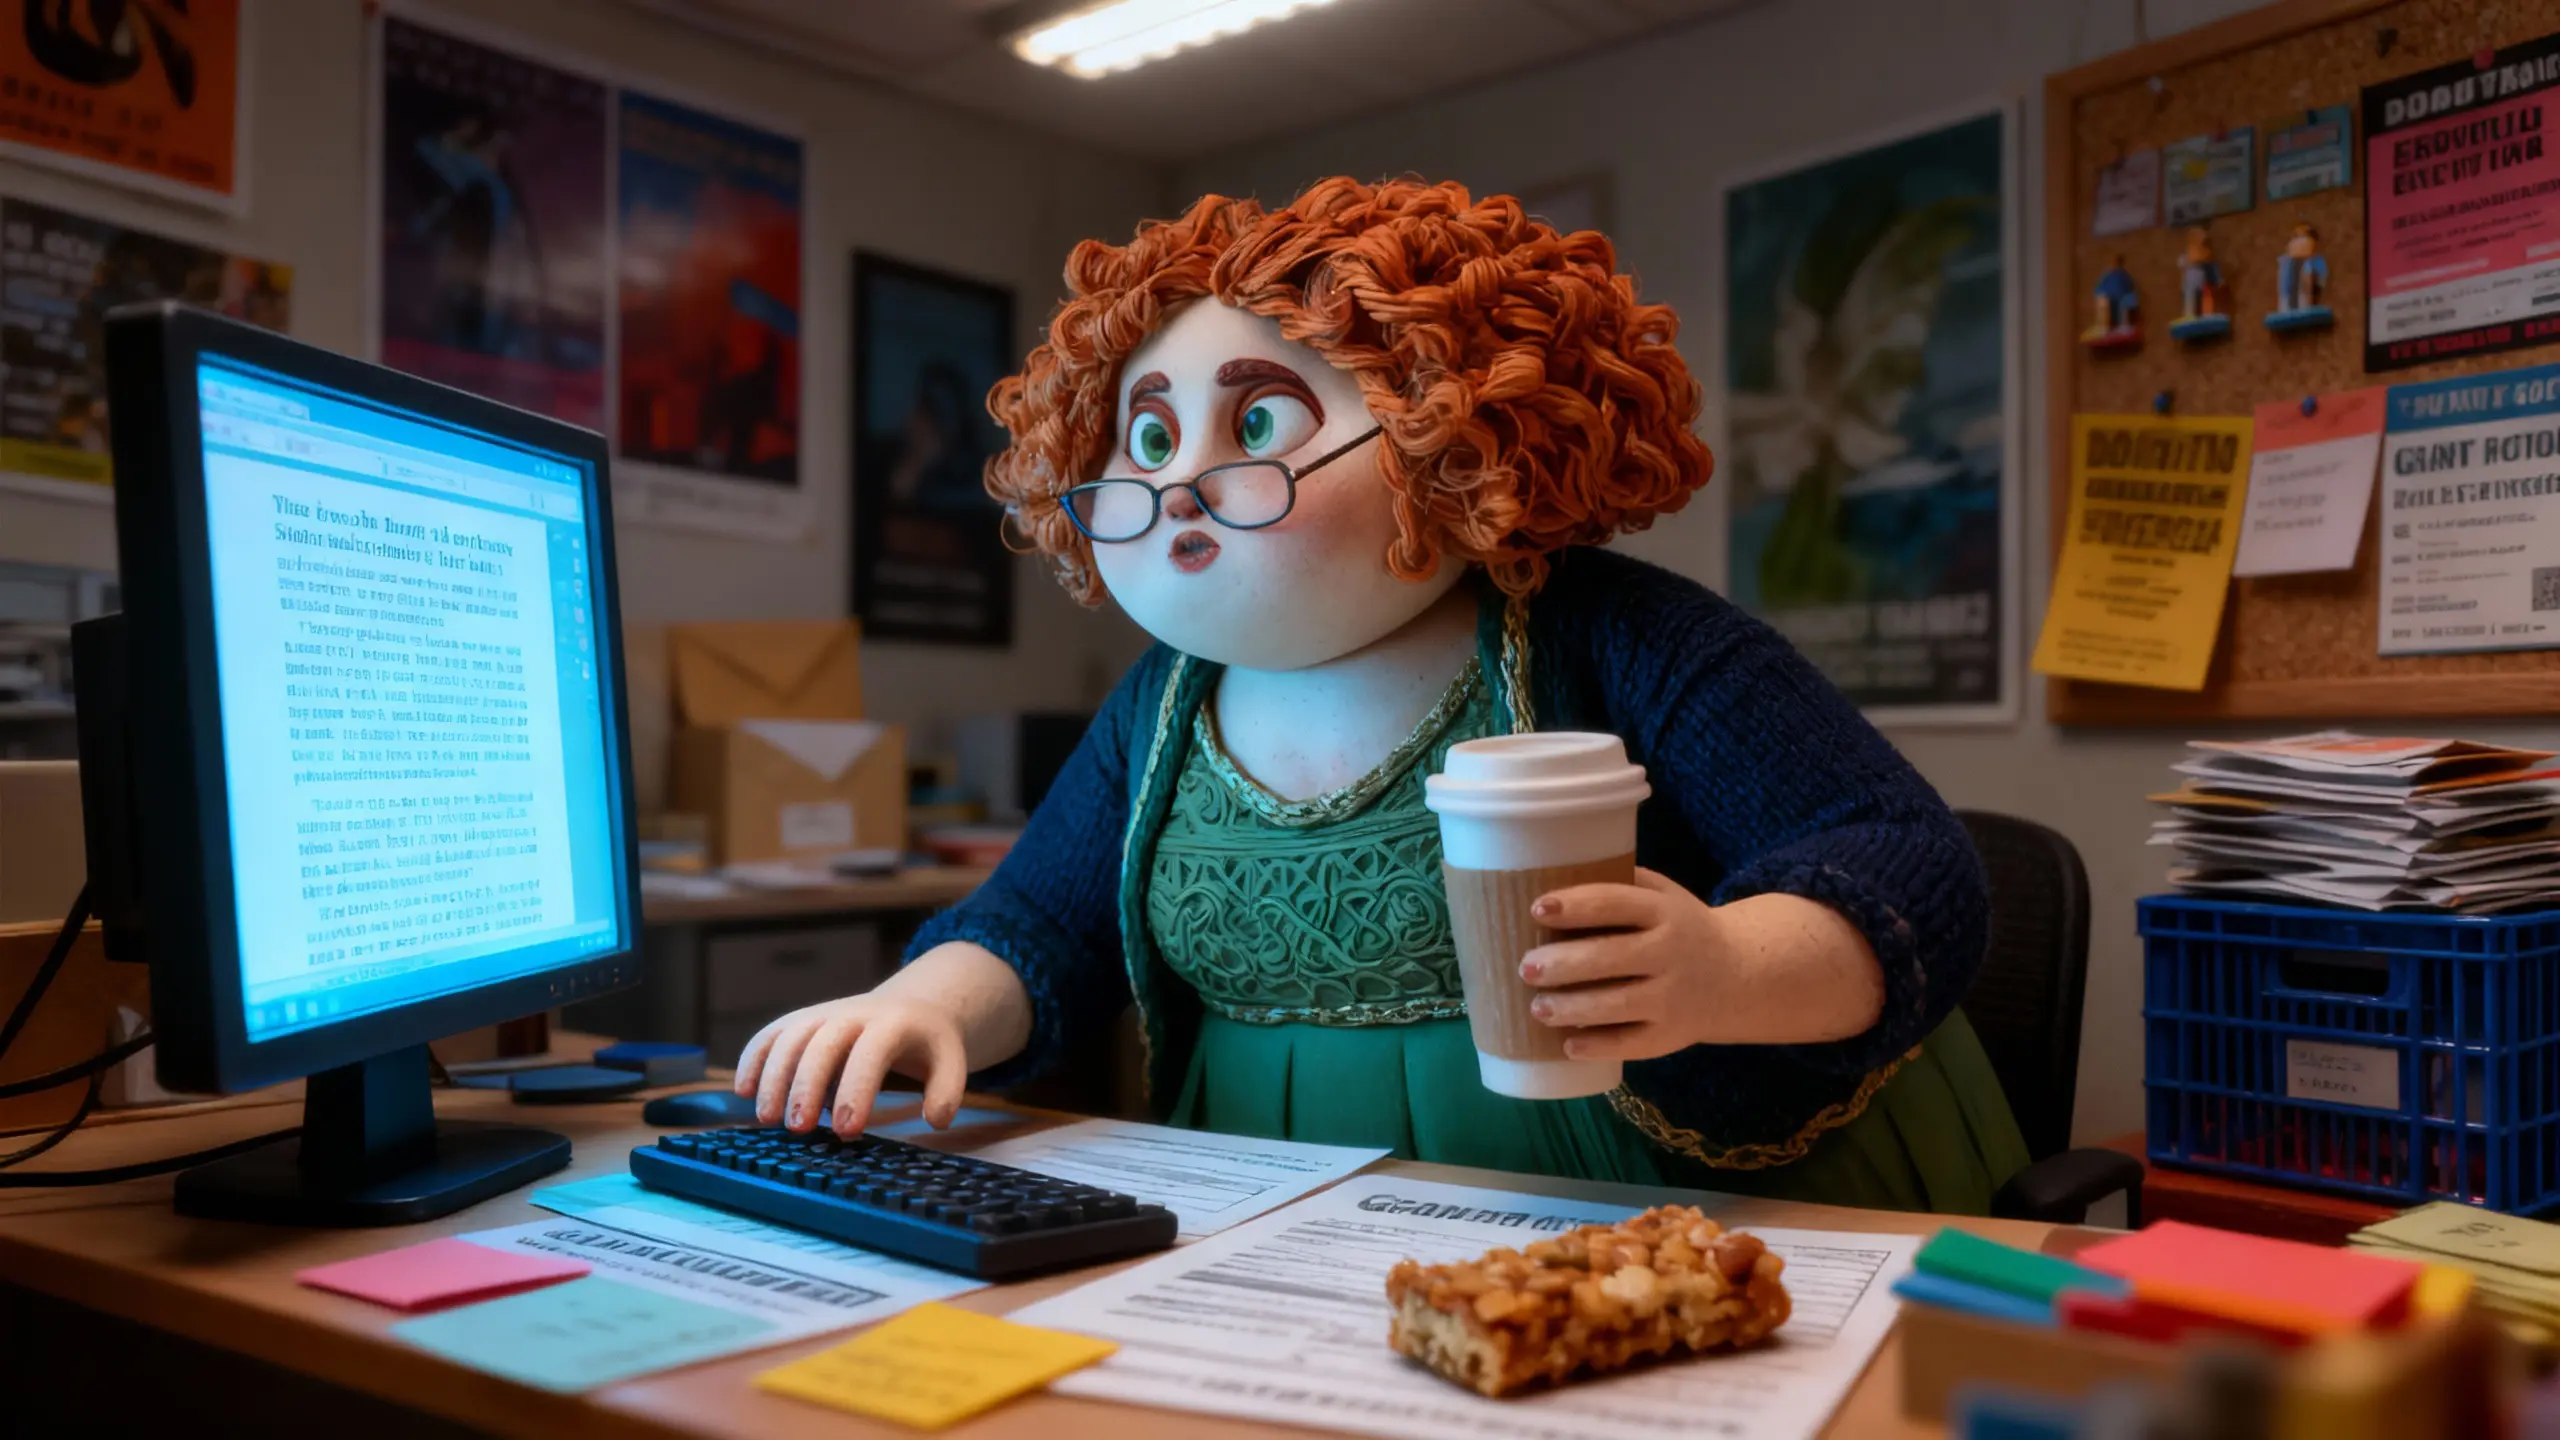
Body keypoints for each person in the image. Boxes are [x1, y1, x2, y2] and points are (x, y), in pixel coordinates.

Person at [736, 179, 2029, 1214]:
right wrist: (919, 1006)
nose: (1177, 482)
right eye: (1143, 437)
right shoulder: (1162, 701)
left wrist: (1724, 970)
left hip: (1673, 1199)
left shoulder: (1622, 637)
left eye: (1255, 428)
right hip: (1275, 1213)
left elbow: (1907, 860)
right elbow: (1041, 924)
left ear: (1445, 430)